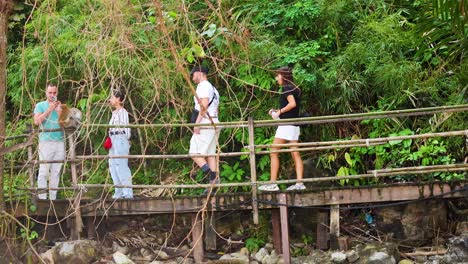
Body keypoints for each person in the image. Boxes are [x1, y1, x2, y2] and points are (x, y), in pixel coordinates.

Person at [259, 66, 305, 191]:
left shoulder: (286, 88)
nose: (276, 78)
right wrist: (276, 112)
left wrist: (279, 111)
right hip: (294, 124)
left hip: (286, 126)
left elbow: (292, 104)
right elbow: (292, 107)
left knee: (273, 152)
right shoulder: (295, 88)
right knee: (295, 153)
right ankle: (300, 183)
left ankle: (273, 183)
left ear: (283, 76)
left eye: (277, 75)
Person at [189, 65, 220, 191]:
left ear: (199, 73)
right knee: (210, 154)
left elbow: (204, 105)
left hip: (206, 123)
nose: (192, 77)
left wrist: (197, 124)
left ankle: (212, 176)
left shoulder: (203, 86)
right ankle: (214, 183)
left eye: (193, 74)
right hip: (214, 121)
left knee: (194, 152)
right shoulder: (213, 88)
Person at [33, 83, 65, 200]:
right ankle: (42, 198)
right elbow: (36, 122)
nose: (52, 95)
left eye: (54, 93)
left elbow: (64, 124)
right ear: (46, 93)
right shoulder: (40, 105)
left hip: (60, 141)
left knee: (56, 171)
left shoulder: (60, 106)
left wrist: (59, 111)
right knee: (44, 171)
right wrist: (49, 110)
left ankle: (53, 199)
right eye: (50, 92)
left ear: (57, 93)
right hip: (46, 141)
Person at [108, 90, 133, 199]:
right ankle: (118, 192)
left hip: (120, 138)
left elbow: (126, 129)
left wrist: (125, 141)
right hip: (113, 139)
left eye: (112, 97)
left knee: (121, 165)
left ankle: (127, 192)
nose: (110, 100)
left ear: (118, 99)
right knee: (113, 165)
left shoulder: (123, 112)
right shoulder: (113, 113)